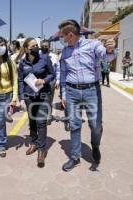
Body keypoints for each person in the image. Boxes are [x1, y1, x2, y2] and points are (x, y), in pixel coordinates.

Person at [59, 20, 116, 171]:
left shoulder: (93, 45)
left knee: (95, 125)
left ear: (70, 35)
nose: (63, 40)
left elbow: (105, 57)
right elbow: (63, 74)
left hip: (92, 91)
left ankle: (95, 146)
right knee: (74, 125)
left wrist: (110, 50)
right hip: (72, 92)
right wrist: (64, 93)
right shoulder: (65, 51)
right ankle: (75, 156)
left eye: (64, 36)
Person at [18, 37, 55, 168]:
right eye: (32, 46)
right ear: (26, 49)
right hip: (29, 96)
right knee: (32, 121)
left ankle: (41, 150)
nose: (35, 48)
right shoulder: (23, 63)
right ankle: (33, 143)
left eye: (36, 45)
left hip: (43, 95)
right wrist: (22, 97)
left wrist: (44, 80)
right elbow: (21, 80)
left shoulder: (44, 59)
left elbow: (52, 74)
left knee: (41, 121)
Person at [40, 40, 60, 125]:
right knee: (40, 99)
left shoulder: (54, 56)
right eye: (43, 46)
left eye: (46, 46)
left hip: (51, 81)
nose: (44, 47)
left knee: (49, 99)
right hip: (40, 81)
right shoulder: (38, 56)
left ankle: (48, 116)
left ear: (49, 47)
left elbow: (58, 69)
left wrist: (58, 80)